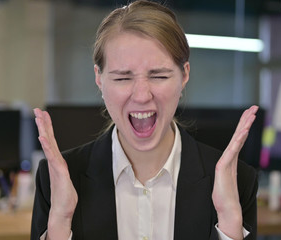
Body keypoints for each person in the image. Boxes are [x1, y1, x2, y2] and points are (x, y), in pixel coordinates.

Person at [31, 1, 259, 239]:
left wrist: (229, 221)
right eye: (122, 78)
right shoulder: (56, 179)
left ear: (184, 75)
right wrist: (61, 219)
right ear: (99, 79)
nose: (141, 96)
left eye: (159, 75)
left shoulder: (237, 180)